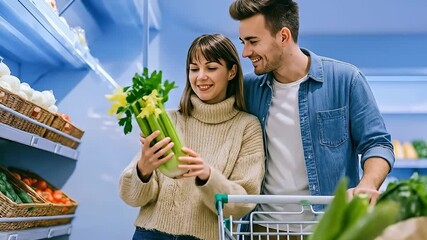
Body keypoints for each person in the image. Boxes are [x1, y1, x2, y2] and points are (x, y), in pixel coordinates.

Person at [229, 0, 394, 238]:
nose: (245, 53)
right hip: (262, 229)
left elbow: (377, 143)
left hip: (329, 228)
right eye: (243, 42)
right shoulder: (248, 89)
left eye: (253, 42)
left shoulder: (345, 80)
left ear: (283, 36)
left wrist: (367, 185)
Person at [119, 34, 265, 240]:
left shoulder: (246, 127)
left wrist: (207, 175)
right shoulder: (167, 119)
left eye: (211, 68)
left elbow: (243, 202)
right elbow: (131, 197)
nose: (201, 76)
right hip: (148, 234)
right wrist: (144, 169)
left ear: (232, 71)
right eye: (194, 69)